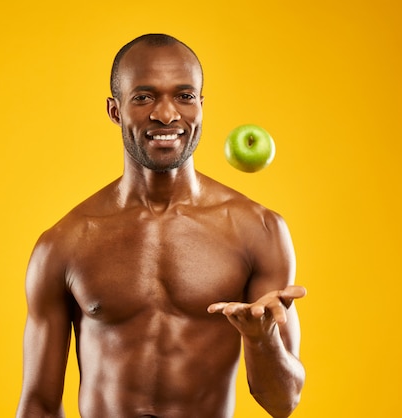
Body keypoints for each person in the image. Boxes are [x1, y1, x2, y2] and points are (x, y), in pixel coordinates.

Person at [16, 33, 306, 418]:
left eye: (184, 96)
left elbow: (282, 402)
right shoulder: (65, 244)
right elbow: (38, 405)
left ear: (201, 105)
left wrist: (263, 339)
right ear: (115, 110)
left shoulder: (258, 231)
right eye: (144, 97)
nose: (167, 115)